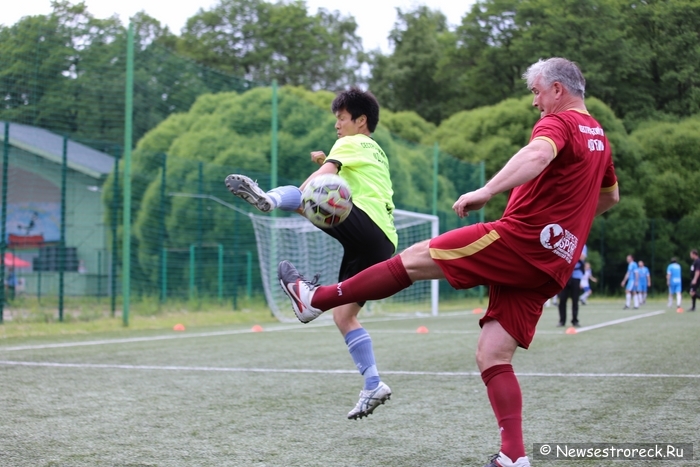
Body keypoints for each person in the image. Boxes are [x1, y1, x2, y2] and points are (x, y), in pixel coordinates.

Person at [278, 57, 619, 467]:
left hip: (521, 238)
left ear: (558, 90)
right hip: (554, 262)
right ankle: (514, 457)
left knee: (413, 259)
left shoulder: (558, 123)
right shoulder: (599, 136)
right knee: (492, 355)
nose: (535, 103)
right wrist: (567, 226)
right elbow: (610, 198)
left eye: (536, 92)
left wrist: (487, 190)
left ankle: (317, 299)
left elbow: (538, 156)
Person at [225, 87, 397, 420]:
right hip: (383, 240)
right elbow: (353, 176)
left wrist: (308, 183)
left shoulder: (348, 143)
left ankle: (270, 199)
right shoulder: (375, 150)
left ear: (361, 121)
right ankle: (373, 383)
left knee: (309, 195)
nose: (337, 125)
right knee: (343, 316)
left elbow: (323, 178)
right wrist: (327, 163)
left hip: (367, 226)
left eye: (342, 118)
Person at [557, 246, 586, 327]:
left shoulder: (582, 245)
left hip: (576, 277)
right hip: (565, 276)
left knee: (575, 300)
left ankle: (575, 320)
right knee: (562, 299)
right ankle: (562, 321)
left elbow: (582, 257)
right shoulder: (567, 242)